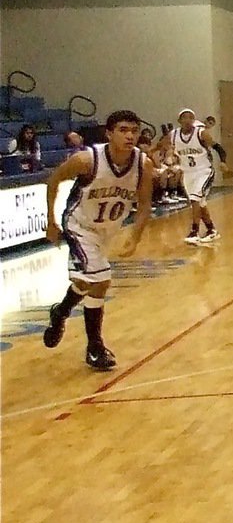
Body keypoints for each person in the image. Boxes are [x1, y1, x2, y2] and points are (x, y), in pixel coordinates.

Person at [42, 109, 155, 370]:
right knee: (101, 280)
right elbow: (54, 179)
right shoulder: (87, 160)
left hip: (106, 229)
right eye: (123, 130)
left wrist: (135, 237)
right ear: (109, 133)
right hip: (78, 225)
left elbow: (146, 203)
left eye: (134, 131)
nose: (130, 136)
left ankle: (60, 311)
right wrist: (51, 221)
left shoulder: (143, 163)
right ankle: (95, 347)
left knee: (85, 282)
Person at [169, 108, 218, 243]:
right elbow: (159, 147)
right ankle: (211, 229)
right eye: (185, 117)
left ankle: (194, 231)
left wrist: (224, 162)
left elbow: (219, 148)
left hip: (204, 171)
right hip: (188, 173)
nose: (188, 120)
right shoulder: (173, 135)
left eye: (191, 117)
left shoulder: (201, 133)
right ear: (179, 121)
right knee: (199, 203)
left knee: (195, 199)